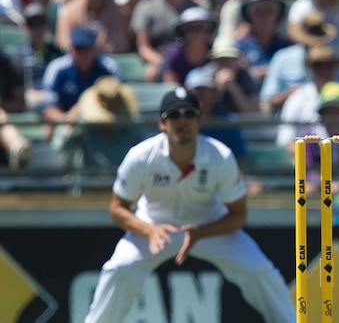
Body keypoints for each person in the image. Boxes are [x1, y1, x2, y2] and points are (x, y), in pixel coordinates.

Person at [83, 87, 295, 322]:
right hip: (154, 227)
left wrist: (202, 232)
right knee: (120, 269)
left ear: (200, 120)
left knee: (258, 270)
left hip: (209, 226)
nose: (182, 121)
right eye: (174, 115)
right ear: (162, 123)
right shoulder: (141, 156)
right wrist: (148, 229)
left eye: (189, 114)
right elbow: (117, 208)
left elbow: (238, 215)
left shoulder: (220, 156)